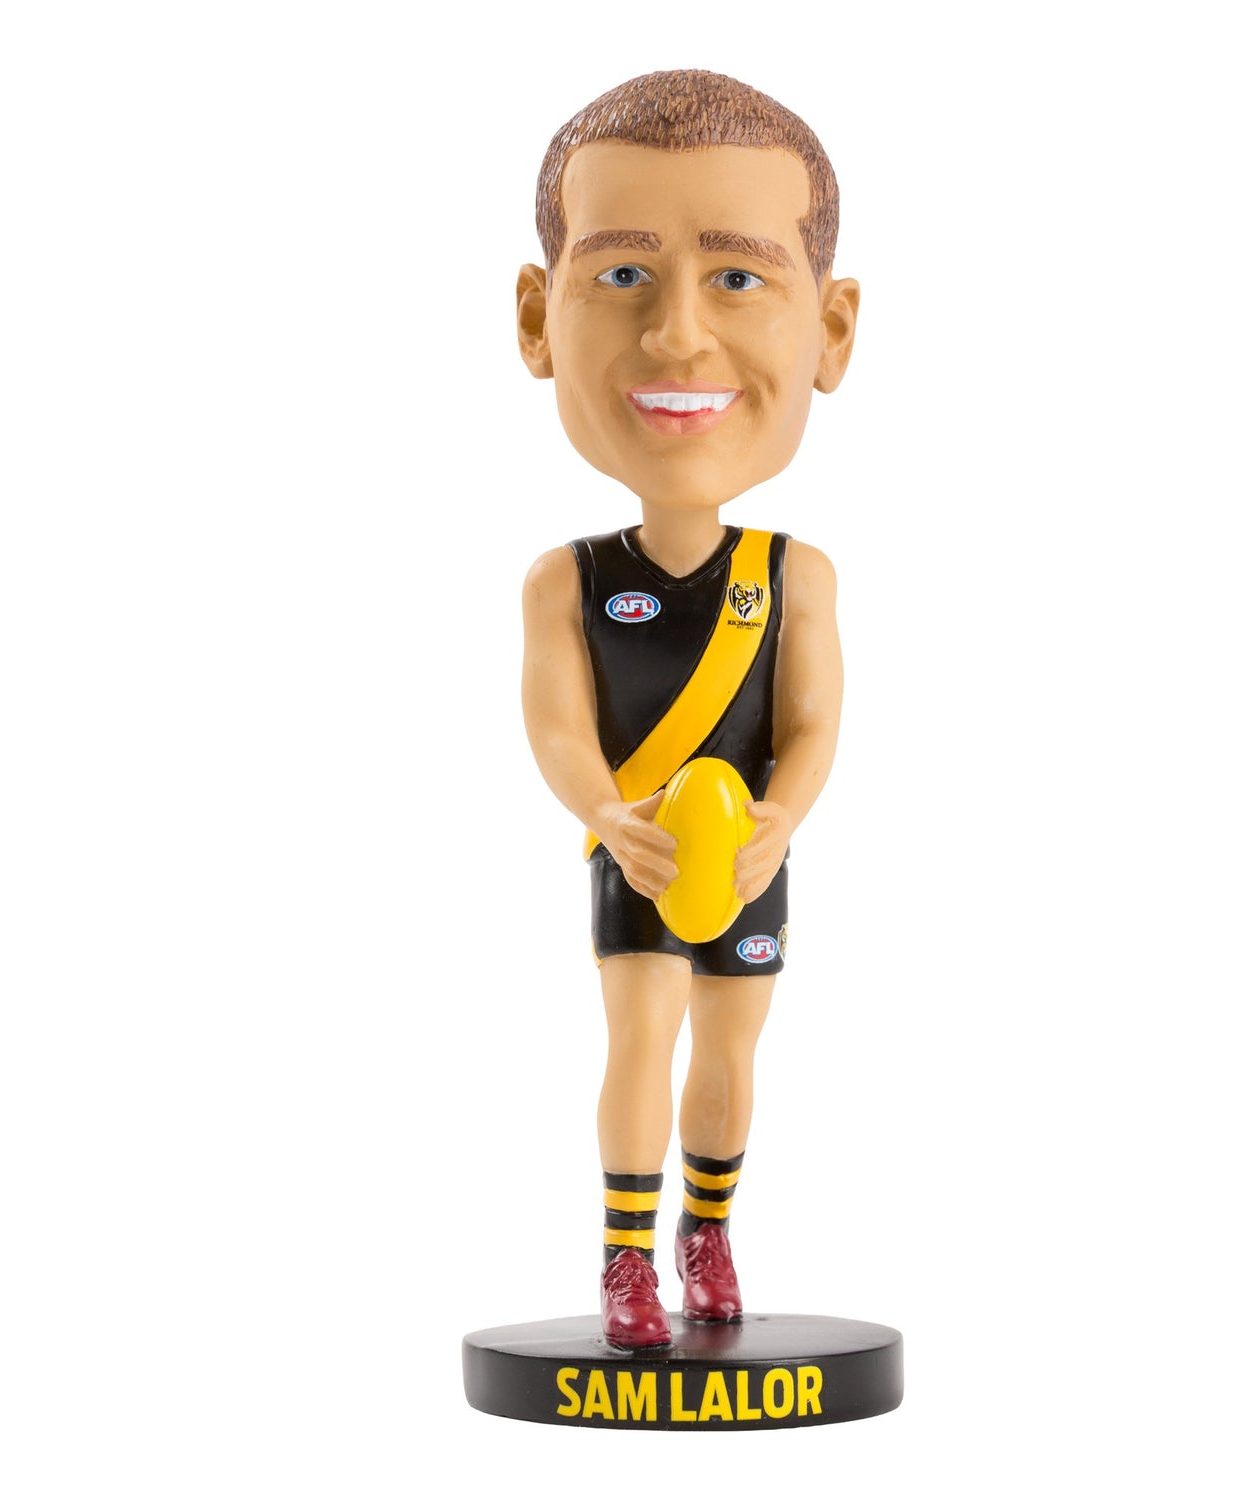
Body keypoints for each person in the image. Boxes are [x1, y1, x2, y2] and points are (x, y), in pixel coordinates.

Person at [517, 70, 859, 1349]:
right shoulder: (567, 580)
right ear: (536, 318)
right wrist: (613, 816)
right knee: (639, 1036)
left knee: (730, 1050)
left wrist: (781, 818)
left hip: (749, 857)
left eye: (737, 277)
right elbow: (559, 728)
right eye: (621, 275)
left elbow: (813, 724)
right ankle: (625, 1256)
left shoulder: (791, 575)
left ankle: (706, 1232)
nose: (675, 336)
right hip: (641, 849)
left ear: (830, 330)